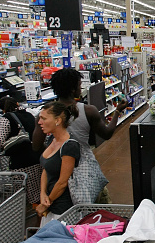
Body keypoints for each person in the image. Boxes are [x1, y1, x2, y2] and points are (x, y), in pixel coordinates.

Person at [33, 68, 128, 202]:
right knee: (94, 207)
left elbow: (36, 146)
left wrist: (55, 151)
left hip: (56, 172)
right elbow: (106, 134)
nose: (81, 87)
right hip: (84, 171)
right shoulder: (88, 111)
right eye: (79, 85)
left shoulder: (43, 115)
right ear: (73, 89)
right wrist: (117, 111)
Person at [36, 102, 81, 226]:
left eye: (43, 118)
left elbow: (62, 182)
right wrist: (43, 193)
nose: (39, 122)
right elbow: (46, 168)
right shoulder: (52, 139)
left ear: (58, 120)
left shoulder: (70, 146)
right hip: (50, 204)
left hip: (63, 210)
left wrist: (46, 202)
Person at [0, 97, 42, 206]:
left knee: (24, 197)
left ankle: (38, 219)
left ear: (3, 109)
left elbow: (0, 141)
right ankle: (41, 217)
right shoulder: (30, 115)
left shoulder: (6, 118)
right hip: (37, 158)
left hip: (20, 163)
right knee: (39, 194)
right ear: (17, 104)